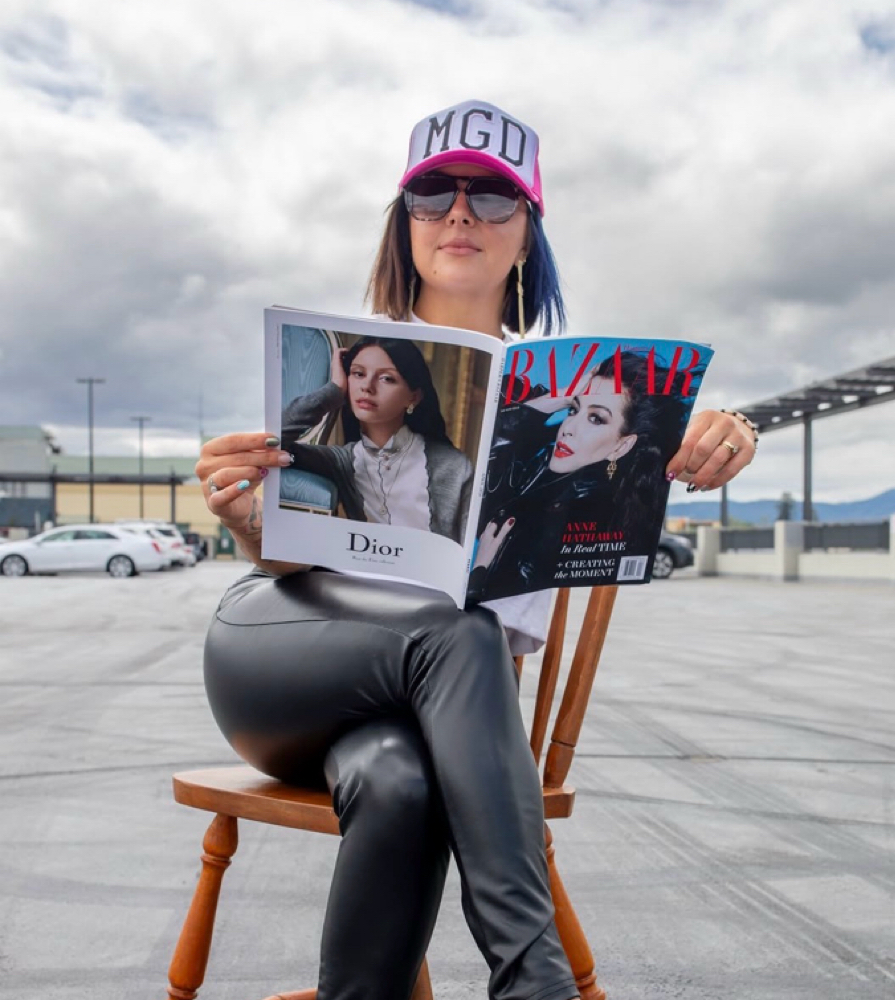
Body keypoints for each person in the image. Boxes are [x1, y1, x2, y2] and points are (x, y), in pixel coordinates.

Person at [195, 98, 758, 1000]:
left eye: (494, 198)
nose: (461, 214)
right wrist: (247, 518)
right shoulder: (341, 376)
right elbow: (291, 565)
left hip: (413, 723)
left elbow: (656, 436)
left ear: (528, 233)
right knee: (452, 625)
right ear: (404, 224)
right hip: (280, 663)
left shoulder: (565, 405)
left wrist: (728, 427)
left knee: (401, 780)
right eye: (434, 194)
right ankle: (534, 980)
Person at [470, 350, 696, 600]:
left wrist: (480, 573)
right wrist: (564, 395)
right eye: (573, 410)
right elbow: (483, 456)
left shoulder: (586, 510)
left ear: (621, 446)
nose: (569, 428)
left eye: (596, 419)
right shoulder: (539, 469)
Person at [281, 335, 474, 543]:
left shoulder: (454, 466)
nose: (367, 387)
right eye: (358, 374)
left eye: (386, 378)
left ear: (414, 397)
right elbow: (274, 440)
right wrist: (334, 391)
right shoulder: (341, 461)